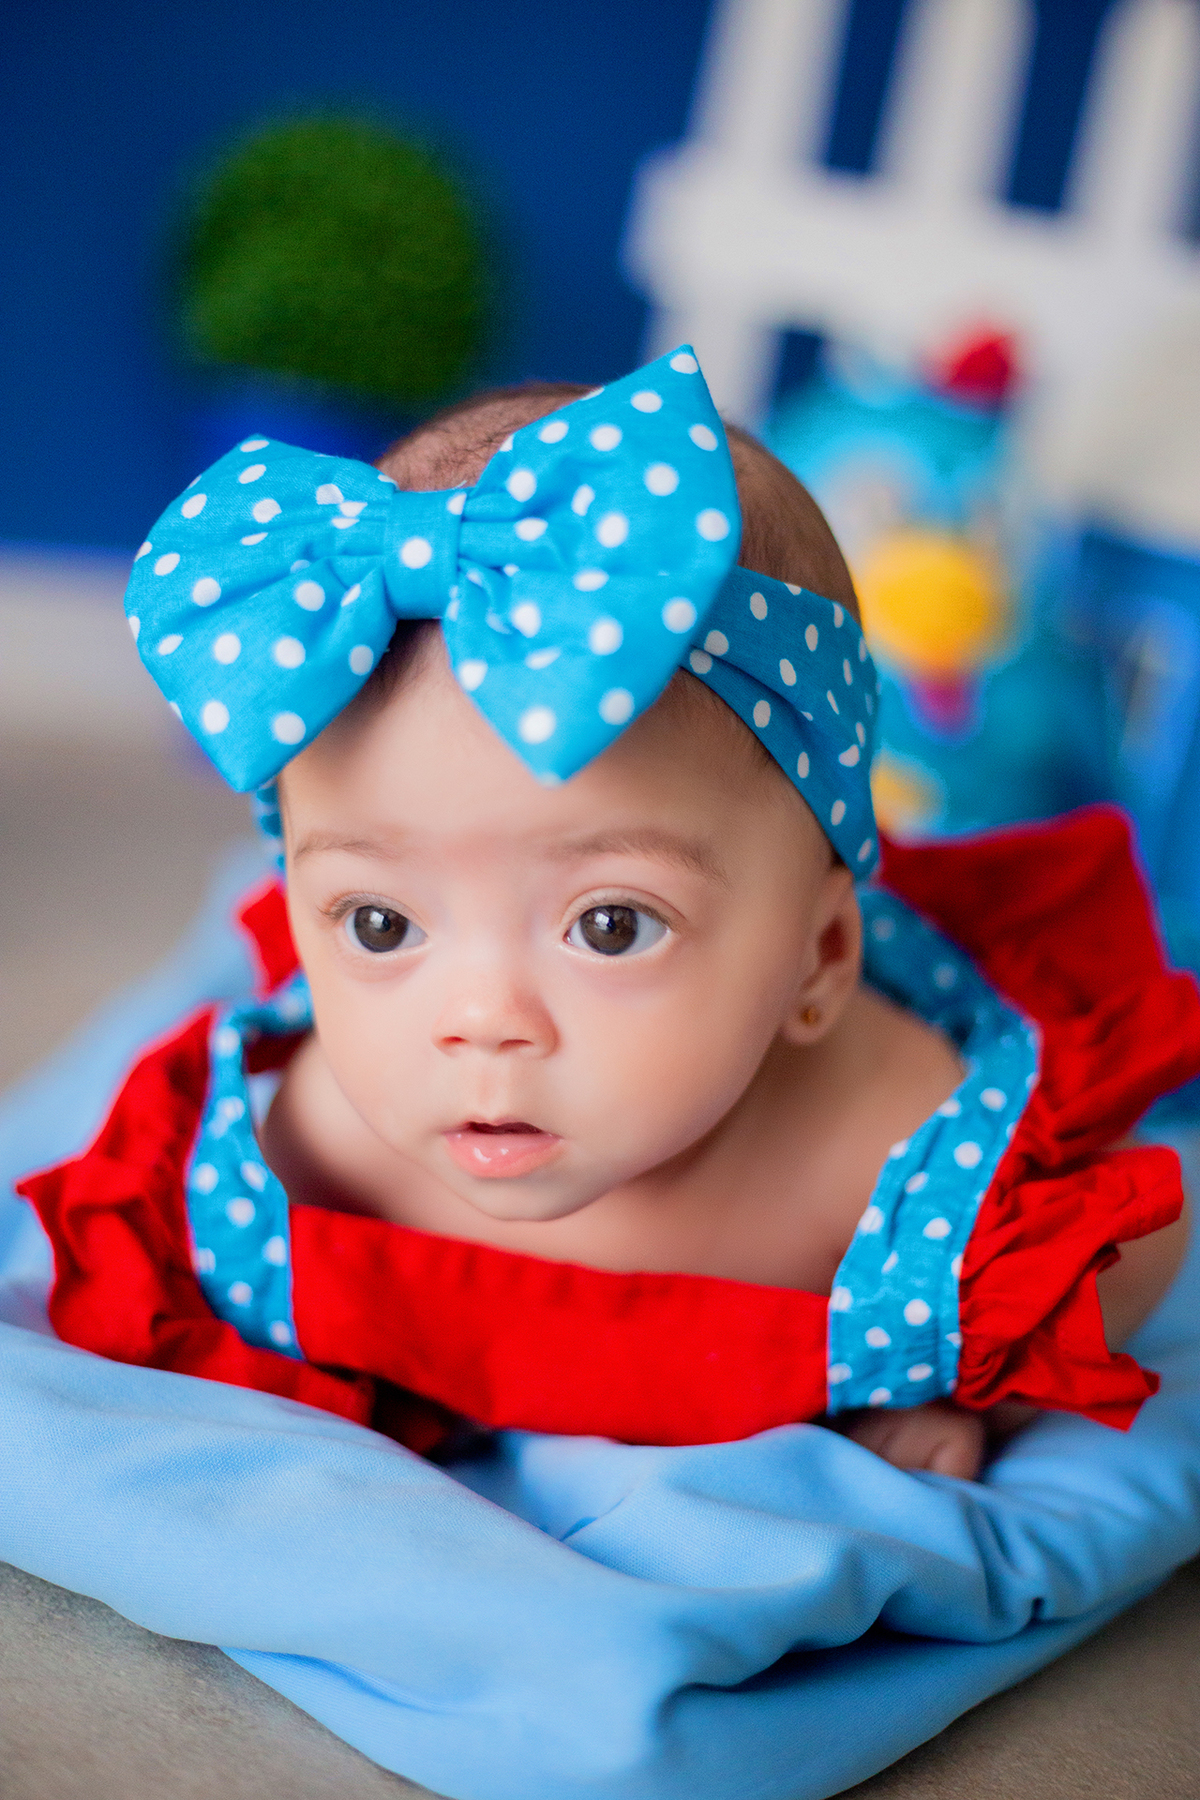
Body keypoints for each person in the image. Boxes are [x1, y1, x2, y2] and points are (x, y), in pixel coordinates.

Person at [20, 350, 1200, 1480]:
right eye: (380, 925)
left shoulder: (889, 1149)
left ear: (821, 961)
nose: (483, 1022)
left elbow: (1142, 1229)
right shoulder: (318, 1138)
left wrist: (948, 1380)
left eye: (610, 925)